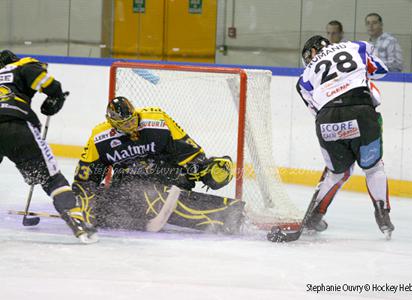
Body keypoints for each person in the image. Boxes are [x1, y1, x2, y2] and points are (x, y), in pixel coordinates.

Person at [72, 96, 245, 234]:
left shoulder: (157, 120)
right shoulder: (100, 137)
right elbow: (86, 176)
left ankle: (230, 214)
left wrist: (202, 168)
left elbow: (187, 150)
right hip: (130, 182)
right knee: (119, 196)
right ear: (113, 123)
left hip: (167, 173)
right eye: (125, 124)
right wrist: (87, 201)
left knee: (146, 193)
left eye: (132, 120)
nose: (131, 125)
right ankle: (226, 215)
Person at [296, 36, 395, 239]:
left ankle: (313, 217)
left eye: (308, 55)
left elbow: (314, 109)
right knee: (373, 168)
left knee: (336, 173)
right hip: (361, 110)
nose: (307, 60)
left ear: (315, 51)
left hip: (326, 120)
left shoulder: (304, 77)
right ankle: (382, 215)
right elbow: (381, 70)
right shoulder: (355, 46)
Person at [0, 50, 97, 243]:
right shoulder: (21, 65)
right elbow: (47, 83)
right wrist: (56, 96)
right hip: (15, 124)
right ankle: (77, 222)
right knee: (51, 179)